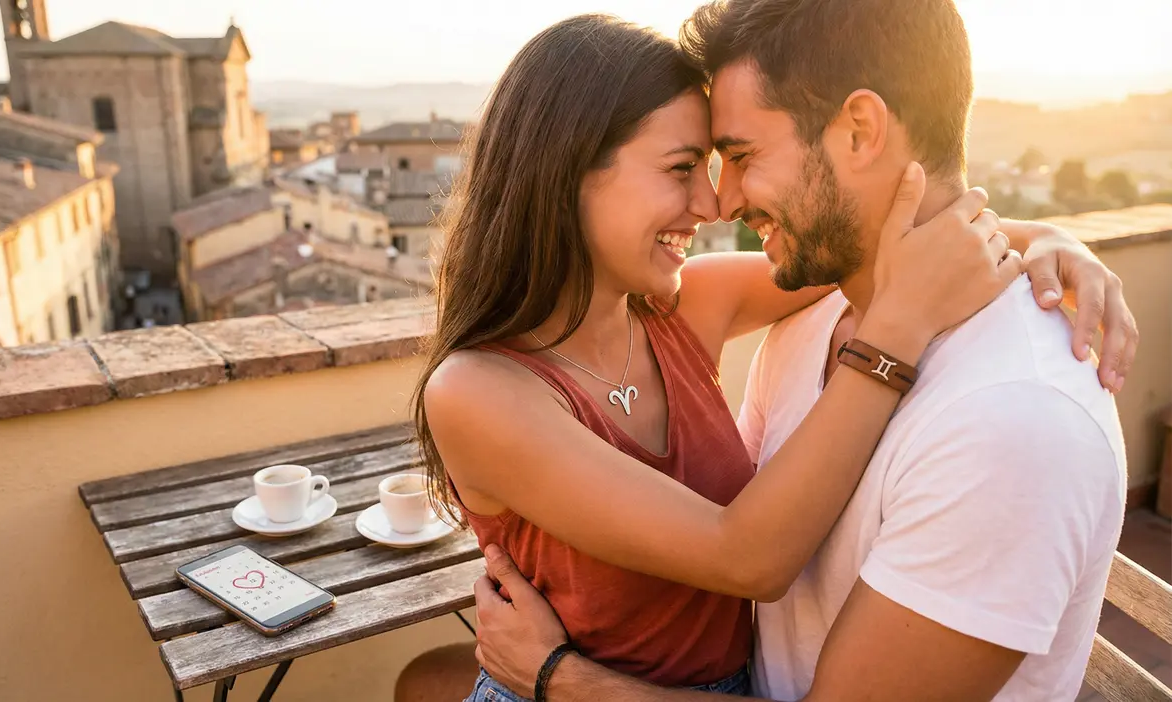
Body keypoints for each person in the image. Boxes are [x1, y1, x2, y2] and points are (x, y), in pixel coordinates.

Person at [462, 2, 1132, 701]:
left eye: (739, 157)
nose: (718, 202)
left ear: (860, 130)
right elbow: (744, 549)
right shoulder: (815, 317)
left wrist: (559, 679)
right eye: (688, 166)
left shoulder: (1014, 422)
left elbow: (748, 559)